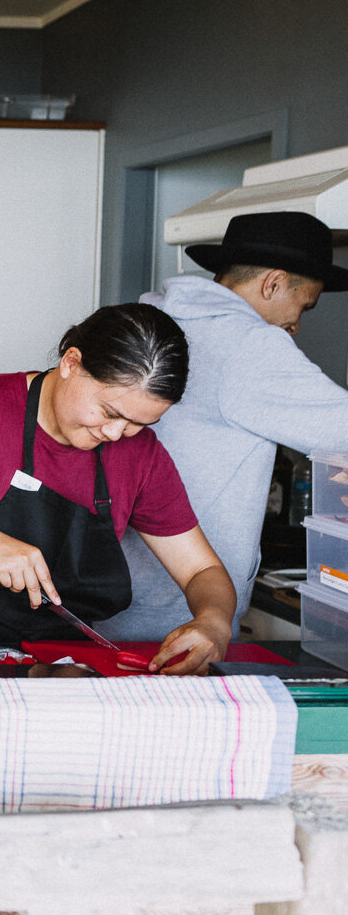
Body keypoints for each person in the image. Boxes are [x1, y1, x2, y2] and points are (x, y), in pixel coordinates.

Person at [0, 303, 235, 674]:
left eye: (138, 423)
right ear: (71, 363)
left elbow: (201, 568)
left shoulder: (142, 455)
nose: (116, 434)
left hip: (58, 662)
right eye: (110, 412)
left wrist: (214, 621)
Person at [100, 211, 348, 641]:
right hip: (180, 612)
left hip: (100, 589)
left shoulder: (149, 316)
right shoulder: (250, 345)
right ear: (272, 283)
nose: (297, 324)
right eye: (302, 304)